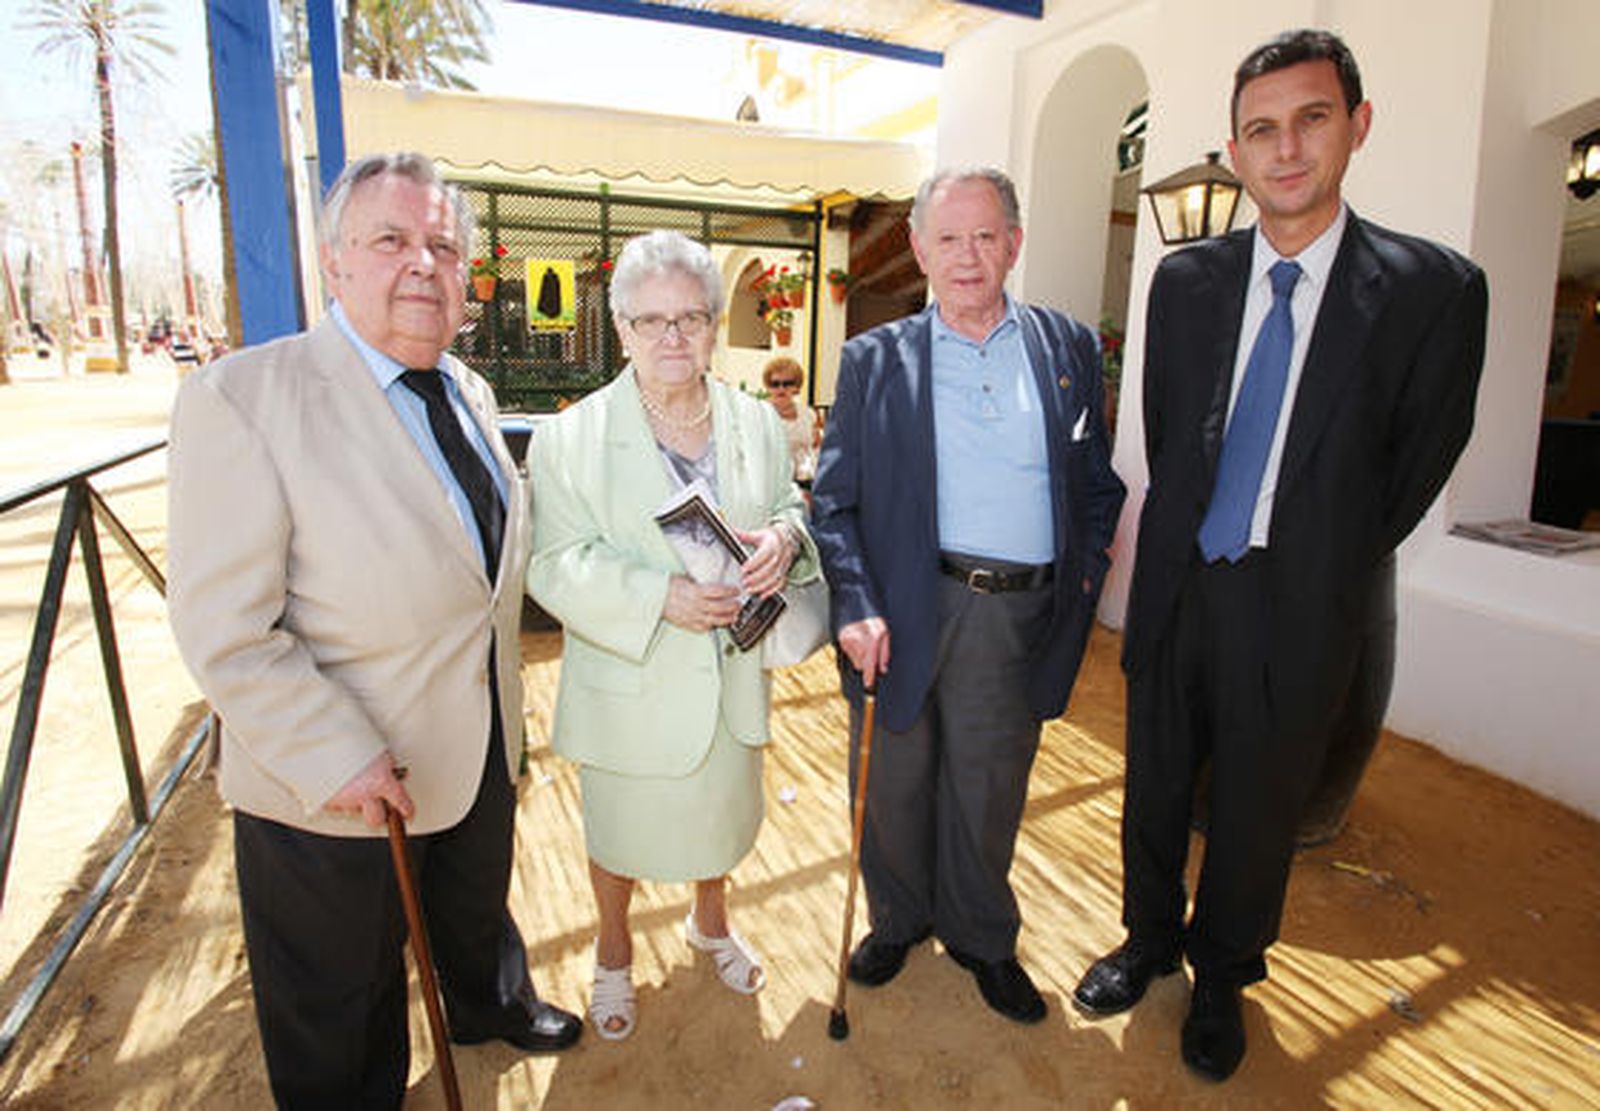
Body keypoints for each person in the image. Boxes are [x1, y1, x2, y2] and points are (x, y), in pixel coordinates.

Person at [1073, 30, 1488, 1082]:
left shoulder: (1431, 291)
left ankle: (1220, 977)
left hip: (1303, 596)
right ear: (1235, 148)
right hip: (1178, 582)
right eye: (1261, 128)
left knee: (1259, 804)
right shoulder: (1187, 282)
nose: (1286, 147)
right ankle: (1147, 939)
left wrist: (1307, 550)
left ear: (1355, 125)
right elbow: (1171, 438)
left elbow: (1413, 466)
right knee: (1156, 781)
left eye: (1310, 118)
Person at [167, 151, 582, 1107]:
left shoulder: (469, 392)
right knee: (343, 1009)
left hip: (474, 746)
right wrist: (337, 753)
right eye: (391, 240)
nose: (423, 265)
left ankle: (486, 1003)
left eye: (443, 245)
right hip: (338, 787)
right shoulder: (242, 399)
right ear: (333, 261)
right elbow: (224, 628)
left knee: (473, 914)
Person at [810, 168, 1126, 1025]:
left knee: (989, 788)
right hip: (909, 605)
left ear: (1014, 244)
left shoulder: (1064, 348)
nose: (967, 256)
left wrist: (1082, 576)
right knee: (894, 783)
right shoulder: (875, 361)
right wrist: (856, 601)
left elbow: (1097, 485)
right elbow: (832, 501)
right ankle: (898, 921)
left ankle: (982, 937)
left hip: (1018, 612)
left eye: (986, 236)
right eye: (947, 238)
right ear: (918, 249)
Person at [526, 230, 818, 1042]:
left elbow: (791, 509)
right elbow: (553, 564)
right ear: (620, 328)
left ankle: (710, 922)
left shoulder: (758, 424)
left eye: (689, 318)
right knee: (618, 831)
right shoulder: (569, 437)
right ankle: (613, 950)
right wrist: (659, 596)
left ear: (716, 325)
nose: (671, 338)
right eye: (650, 320)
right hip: (631, 677)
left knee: (719, 817)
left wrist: (786, 540)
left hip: (729, 671)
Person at [761, 355, 820, 480]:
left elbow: (816, 447)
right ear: (767, 386)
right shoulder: (759, 413)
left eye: (787, 384)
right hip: (769, 481)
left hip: (804, 480)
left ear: (796, 386)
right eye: (775, 384)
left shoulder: (808, 414)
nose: (781, 389)